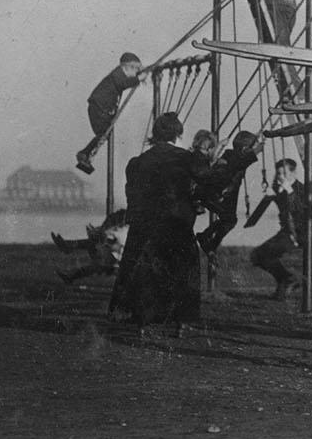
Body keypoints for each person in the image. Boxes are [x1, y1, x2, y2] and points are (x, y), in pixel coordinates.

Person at [108, 114, 256, 340]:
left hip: (145, 225)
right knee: (184, 272)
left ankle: (143, 323)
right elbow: (213, 182)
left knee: (147, 272)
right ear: (178, 134)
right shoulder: (186, 158)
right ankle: (182, 323)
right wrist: (244, 159)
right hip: (176, 223)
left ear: (155, 135)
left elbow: (132, 195)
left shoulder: (137, 162)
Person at [196, 130, 263, 283]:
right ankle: (206, 239)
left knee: (229, 220)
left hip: (223, 194)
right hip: (220, 195)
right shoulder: (237, 158)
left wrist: (257, 140)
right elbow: (252, 154)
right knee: (229, 220)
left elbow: (249, 153)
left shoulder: (230, 155)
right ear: (244, 150)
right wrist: (260, 144)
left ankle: (208, 242)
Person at [245, 158, 312, 300]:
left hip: (299, 233)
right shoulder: (281, 188)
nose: (281, 177)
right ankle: (285, 279)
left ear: (294, 173)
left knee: (263, 254)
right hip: (287, 231)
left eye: (284, 173)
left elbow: (302, 213)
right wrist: (271, 193)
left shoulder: (301, 190)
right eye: (278, 174)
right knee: (257, 256)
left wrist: (289, 191)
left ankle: (287, 279)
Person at [75, 52, 144, 175]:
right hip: (98, 108)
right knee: (104, 133)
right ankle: (84, 153)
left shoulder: (119, 75)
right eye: (135, 70)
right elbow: (122, 84)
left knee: (104, 134)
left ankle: (85, 154)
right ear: (127, 67)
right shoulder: (117, 74)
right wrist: (138, 79)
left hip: (101, 108)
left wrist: (137, 79)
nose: (135, 73)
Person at [51, 209, 128, 285]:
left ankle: (67, 248)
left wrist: (99, 237)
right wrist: (97, 233)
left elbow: (116, 246)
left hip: (116, 260)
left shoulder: (124, 231)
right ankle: (68, 249)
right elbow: (109, 239)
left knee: (97, 263)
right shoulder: (121, 229)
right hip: (113, 258)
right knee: (96, 260)